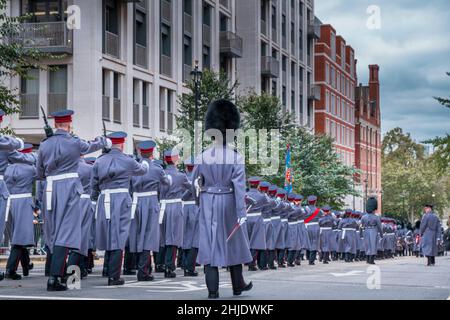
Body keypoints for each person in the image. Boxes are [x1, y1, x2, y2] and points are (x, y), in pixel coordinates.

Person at [36, 109, 109, 291]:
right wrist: (104, 140)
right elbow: (91, 146)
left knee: (53, 233)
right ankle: (54, 278)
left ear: (55, 125)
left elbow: (39, 173)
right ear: (69, 125)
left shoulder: (45, 144)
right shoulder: (74, 142)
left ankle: (56, 274)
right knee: (66, 234)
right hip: (68, 189)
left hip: (50, 189)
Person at [191, 99, 253, 299]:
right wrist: (241, 213)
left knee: (209, 245)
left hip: (208, 201)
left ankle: (213, 291)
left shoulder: (202, 156)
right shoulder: (236, 157)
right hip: (229, 202)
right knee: (233, 242)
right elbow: (239, 188)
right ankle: (237, 286)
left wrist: (199, 202)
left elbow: (194, 184)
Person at [92, 131, 148, 286]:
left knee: (108, 235)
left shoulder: (100, 161)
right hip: (121, 199)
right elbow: (142, 170)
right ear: (122, 144)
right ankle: (114, 276)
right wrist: (144, 162)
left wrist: (95, 197)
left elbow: (93, 183)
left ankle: (107, 270)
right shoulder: (127, 160)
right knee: (119, 236)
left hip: (104, 199)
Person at [128, 140, 169, 281]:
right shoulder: (157, 169)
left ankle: (143, 267)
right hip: (151, 202)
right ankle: (143, 271)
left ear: (140, 152)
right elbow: (166, 183)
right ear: (152, 153)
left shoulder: (133, 167)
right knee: (149, 236)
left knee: (138, 235)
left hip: (136, 202)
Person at [4, 144, 37, 280]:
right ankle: (10, 269)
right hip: (23, 201)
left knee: (18, 236)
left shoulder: (7, 168)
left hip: (9, 201)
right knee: (20, 237)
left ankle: (26, 264)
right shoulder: (31, 169)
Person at [159, 149, 191, 278]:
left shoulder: (160, 174)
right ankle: (169, 267)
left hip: (162, 206)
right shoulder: (181, 176)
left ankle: (160, 264)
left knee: (163, 238)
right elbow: (192, 189)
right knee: (173, 238)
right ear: (176, 159)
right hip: (175, 206)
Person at [66, 155, 95, 279]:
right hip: (84, 201)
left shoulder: (67, 167)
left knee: (69, 236)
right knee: (82, 238)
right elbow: (95, 185)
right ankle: (74, 270)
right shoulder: (89, 168)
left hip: (69, 202)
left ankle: (74, 269)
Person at [181, 157, 200, 277]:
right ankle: (189, 267)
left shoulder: (182, 176)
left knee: (185, 237)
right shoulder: (197, 178)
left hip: (183, 208)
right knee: (194, 239)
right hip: (194, 207)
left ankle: (185, 264)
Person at [245, 177, 268, 271]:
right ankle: (252, 264)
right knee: (256, 242)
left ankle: (247, 262)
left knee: (246, 241)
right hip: (257, 218)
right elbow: (266, 208)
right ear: (258, 185)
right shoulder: (262, 196)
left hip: (246, 218)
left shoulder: (245, 195)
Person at [360, 197, 383, 264]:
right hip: (373, 231)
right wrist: (381, 234)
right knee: (373, 245)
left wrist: (361, 234)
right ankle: (371, 259)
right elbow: (379, 226)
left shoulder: (363, 217)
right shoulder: (376, 217)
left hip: (366, 230)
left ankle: (367, 259)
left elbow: (361, 226)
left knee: (367, 245)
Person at [305, 195, 322, 265]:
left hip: (307, 226)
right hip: (315, 226)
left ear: (308, 202)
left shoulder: (305, 209)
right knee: (314, 242)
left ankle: (308, 256)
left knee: (308, 241)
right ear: (315, 202)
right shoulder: (318, 210)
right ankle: (311, 260)